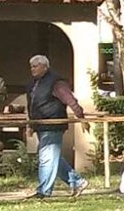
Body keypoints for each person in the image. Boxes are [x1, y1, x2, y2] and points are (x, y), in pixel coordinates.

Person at [17, 55, 89, 199]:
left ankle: (44, 191)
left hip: (53, 124)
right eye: (31, 66)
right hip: (40, 125)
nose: (32, 69)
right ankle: (78, 181)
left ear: (45, 66)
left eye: (36, 66)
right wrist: (30, 125)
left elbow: (70, 100)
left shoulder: (56, 82)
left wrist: (80, 117)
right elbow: (32, 107)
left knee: (47, 158)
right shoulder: (33, 84)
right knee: (52, 157)